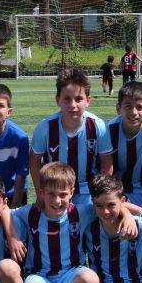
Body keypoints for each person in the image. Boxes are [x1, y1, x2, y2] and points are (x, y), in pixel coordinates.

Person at [14, 162, 136, 283]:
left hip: (71, 273)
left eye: (63, 194)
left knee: (91, 281)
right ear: (41, 192)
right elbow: (4, 212)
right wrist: (12, 237)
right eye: (51, 194)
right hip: (41, 275)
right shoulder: (30, 212)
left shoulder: (79, 212)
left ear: (72, 192)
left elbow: (112, 204)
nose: (57, 201)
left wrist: (127, 215)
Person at [30, 68, 112, 206]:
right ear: (58, 100)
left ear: (88, 100)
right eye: (67, 99)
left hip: (88, 190)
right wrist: (41, 194)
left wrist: (101, 195)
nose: (72, 105)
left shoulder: (98, 126)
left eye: (78, 99)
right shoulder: (45, 127)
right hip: (55, 190)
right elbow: (34, 161)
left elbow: (106, 162)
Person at [100, 81, 142, 211]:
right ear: (118, 108)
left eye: (139, 107)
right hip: (117, 190)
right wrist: (108, 197)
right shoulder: (109, 130)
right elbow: (107, 168)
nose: (133, 112)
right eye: (128, 106)